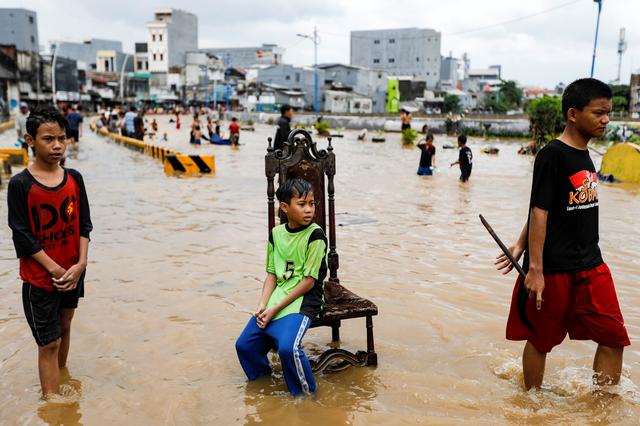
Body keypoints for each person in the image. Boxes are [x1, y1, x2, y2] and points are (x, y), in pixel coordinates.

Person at [495, 78, 629, 391]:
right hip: (554, 269)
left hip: (592, 264)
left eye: (607, 113)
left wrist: (517, 242)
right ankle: (532, 403)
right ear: (573, 114)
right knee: (541, 340)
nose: (605, 120)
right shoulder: (551, 155)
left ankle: (603, 408)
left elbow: (551, 206)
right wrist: (535, 269)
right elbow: (539, 210)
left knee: (613, 338)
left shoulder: (586, 155)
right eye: (598, 113)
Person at [7, 106, 92, 398]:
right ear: (30, 141)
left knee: (65, 326)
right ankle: (52, 401)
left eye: (62, 138)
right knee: (49, 342)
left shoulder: (74, 178)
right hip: (41, 278)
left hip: (73, 270)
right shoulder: (20, 185)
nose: (57, 145)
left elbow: (84, 224)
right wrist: (55, 269)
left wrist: (80, 264)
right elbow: (22, 236)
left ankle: (61, 377)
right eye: (48, 139)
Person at [235, 178, 327, 396]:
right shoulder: (276, 234)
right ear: (285, 207)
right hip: (279, 296)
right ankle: (265, 386)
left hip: (305, 299)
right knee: (244, 345)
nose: (309, 210)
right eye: (302, 204)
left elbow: (309, 282)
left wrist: (274, 310)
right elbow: (271, 274)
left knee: (288, 349)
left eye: (312, 204)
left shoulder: (316, 235)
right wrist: (263, 305)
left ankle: (306, 396)